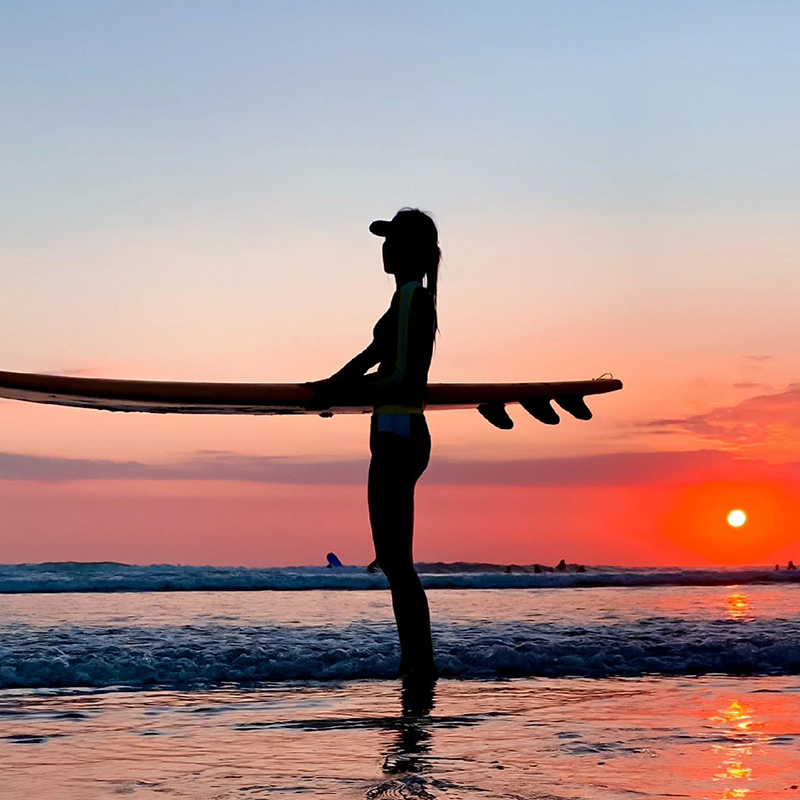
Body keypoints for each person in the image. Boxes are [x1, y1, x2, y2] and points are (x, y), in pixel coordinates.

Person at [305, 208, 440, 679]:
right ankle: (417, 664)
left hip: (397, 434)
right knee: (395, 562)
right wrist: (330, 387)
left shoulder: (411, 298)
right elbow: (373, 357)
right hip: (400, 434)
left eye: (393, 240)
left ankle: (420, 668)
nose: (384, 248)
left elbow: (403, 379)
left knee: (397, 565)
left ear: (414, 252)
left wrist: (338, 391)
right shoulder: (407, 300)